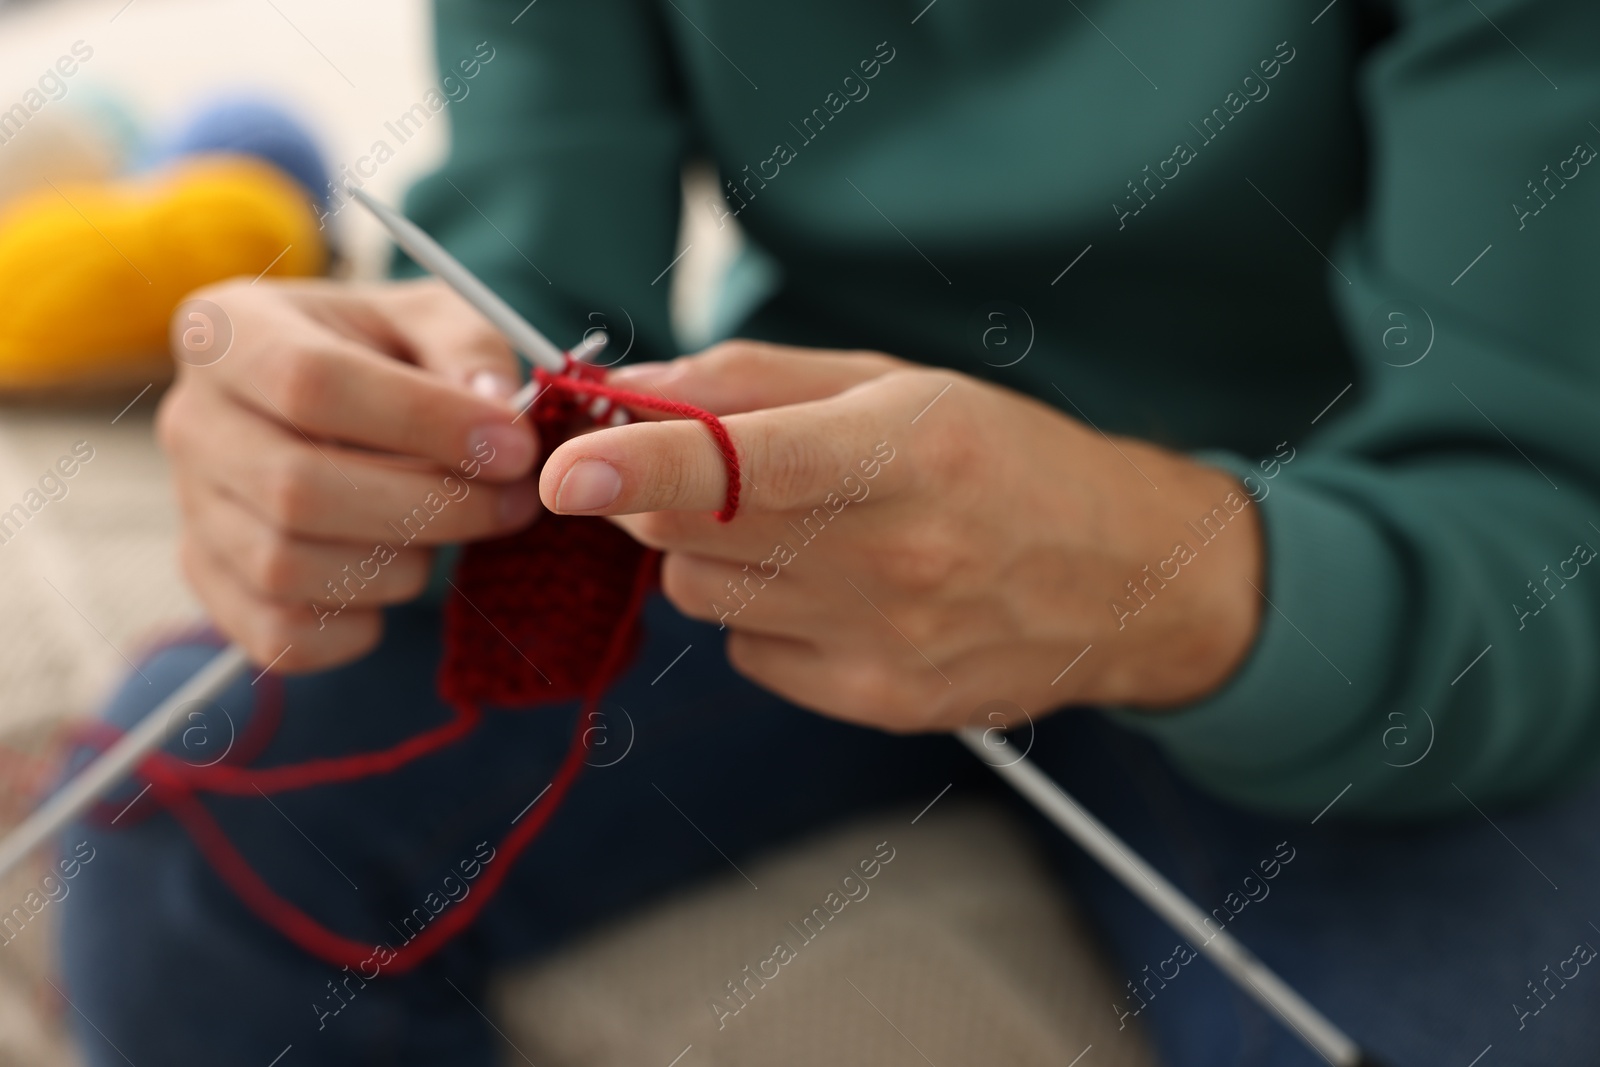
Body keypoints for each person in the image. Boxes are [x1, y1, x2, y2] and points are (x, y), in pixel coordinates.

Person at [57, 1, 1600, 1064]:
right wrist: (381, 427)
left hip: (1348, 564)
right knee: (180, 832)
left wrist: (1158, 583)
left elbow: (1534, 514)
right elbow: (536, 275)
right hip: (780, 482)